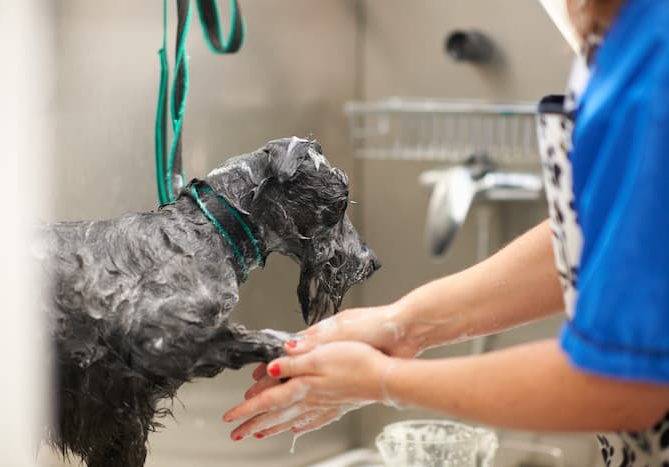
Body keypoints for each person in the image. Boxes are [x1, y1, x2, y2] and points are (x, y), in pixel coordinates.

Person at [224, 0, 669, 464]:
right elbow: (610, 239)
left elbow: (627, 385)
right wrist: (405, 324)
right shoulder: (632, 30)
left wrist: (382, 380)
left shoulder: (655, 48)